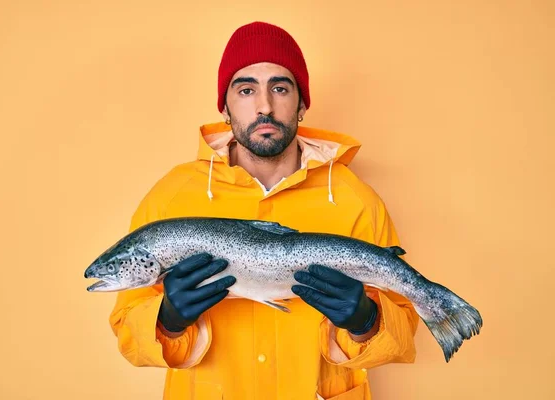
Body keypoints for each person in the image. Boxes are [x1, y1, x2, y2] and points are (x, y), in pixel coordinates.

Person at [109, 21, 419, 400]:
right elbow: (128, 332)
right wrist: (167, 321)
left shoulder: (355, 199)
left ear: (302, 102)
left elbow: (403, 332)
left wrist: (367, 322)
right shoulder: (171, 196)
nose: (264, 106)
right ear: (224, 105)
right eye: (246, 89)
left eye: (279, 87)